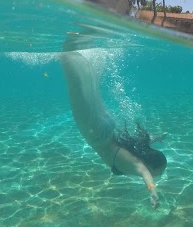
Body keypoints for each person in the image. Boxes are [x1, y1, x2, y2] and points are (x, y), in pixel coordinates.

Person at [60, 33, 167, 209]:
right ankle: (68, 49)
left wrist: (157, 138)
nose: (159, 174)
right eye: (159, 172)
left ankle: (76, 50)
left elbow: (145, 143)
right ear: (150, 165)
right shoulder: (138, 164)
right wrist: (153, 193)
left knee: (90, 88)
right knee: (78, 89)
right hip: (95, 132)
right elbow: (146, 175)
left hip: (106, 127)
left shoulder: (137, 153)